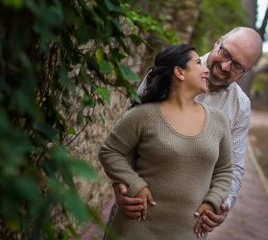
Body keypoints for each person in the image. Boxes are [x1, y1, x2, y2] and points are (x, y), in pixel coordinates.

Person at [113, 27, 263, 237]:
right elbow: (125, 143)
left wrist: (223, 202)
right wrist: (121, 186)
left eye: (237, 65)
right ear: (217, 42)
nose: (225, 66)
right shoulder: (169, 69)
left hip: (188, 227)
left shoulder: (240, 106)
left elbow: (233, 167)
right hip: (136, 215)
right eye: (225, 53)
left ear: (246, 72)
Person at [99, 44, 233, 239]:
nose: (205, 69)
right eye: (198, 63)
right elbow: (109, 151)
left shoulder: (219, 121)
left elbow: (225, 170)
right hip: (135, 229)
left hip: (188, 233)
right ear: (179, 72)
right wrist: (135, 184)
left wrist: (213, 200)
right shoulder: (142, 116)